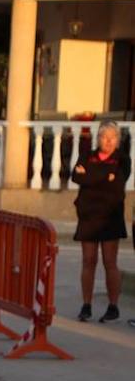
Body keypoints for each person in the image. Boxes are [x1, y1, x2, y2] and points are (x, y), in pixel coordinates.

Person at [71, 120, 130, 323]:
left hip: (110, 216)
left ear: (118, 140)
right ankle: (86, 305)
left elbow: (118, 183)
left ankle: (113, 306)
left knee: (109, 262)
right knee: (88, 261)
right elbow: (75, 177)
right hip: (88, 215)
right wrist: (105, 177)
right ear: (98, 139)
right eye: (104, 137)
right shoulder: (88, 155)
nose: (108, 141)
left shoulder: (122, 159)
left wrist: (90, 176)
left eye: (113, 137)